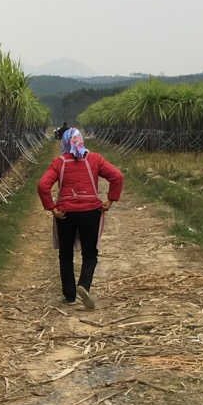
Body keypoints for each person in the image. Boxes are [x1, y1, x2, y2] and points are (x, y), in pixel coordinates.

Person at [37, 127, 123, 309]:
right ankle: (84, 285)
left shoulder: (59, 162)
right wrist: (110, 200)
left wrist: (52, 208)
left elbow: (43, 185)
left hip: (65, 213)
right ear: (81, 140)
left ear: (65, 142)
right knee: (90, 253)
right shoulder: (95, 159)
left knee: (65, 254)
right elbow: (117, 176)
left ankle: (69, 295)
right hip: (91, 212)